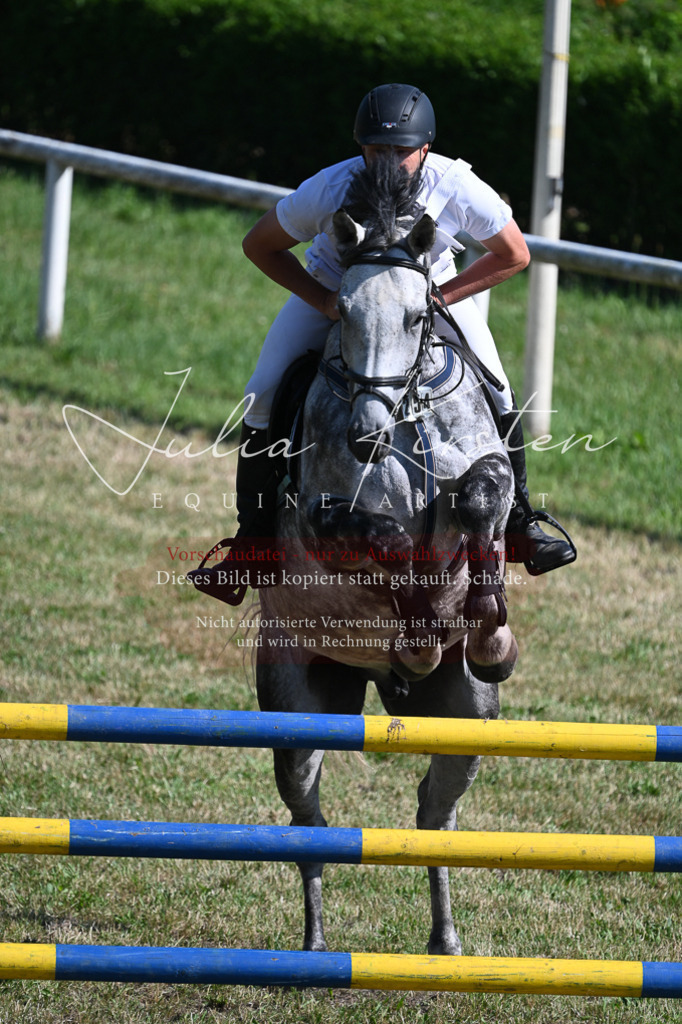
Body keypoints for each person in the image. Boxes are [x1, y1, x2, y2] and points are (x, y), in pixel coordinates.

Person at [234, 82, 575, 584]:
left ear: (426, 148)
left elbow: (515, 253)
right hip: (339, 286)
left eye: (401, 151)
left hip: (428, 289)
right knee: (261, 391)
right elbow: (259, 245)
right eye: (376, 149)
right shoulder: (330, 188)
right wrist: (325, 300)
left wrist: (441, 298)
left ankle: (522, 521)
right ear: (360, 147)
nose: (387, 161)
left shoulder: (455, 185)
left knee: (500, 390)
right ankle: (253, 541)